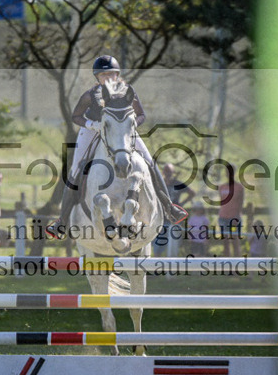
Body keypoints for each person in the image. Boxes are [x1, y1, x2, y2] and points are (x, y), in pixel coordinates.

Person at [47, 55, 187, 238]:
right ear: (97, 77)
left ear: (117, 74)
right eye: (103, 74)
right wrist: (92, 125)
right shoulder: (91, 95)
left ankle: (169, 208)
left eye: (111, 74)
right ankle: (62, 222)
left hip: (122, 130)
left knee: (150, 162)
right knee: (75, 169)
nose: (108, 77)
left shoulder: (128, 91)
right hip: (93, 129)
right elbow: (76, 116)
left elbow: (141, 115)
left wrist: (130, 124)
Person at [217, 162, 245, 258]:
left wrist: (237, 217)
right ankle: (227, 266)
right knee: (225, 242)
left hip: (234, 219)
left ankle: (237, 266)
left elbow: (241, 203)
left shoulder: (239, 188)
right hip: (223, 218)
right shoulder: (221, 187)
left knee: (235, 241)